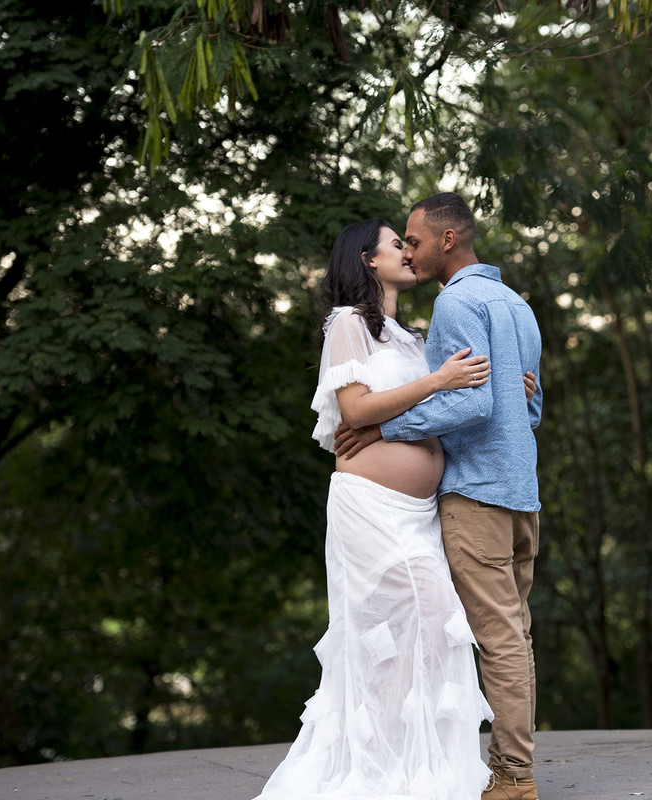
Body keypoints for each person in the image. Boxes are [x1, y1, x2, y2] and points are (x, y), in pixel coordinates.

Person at [254, 218, 527, 800]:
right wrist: (439, 380)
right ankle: (373, 769)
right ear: (366, 260)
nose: (407, 252)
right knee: (410, 623)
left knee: (422, 638)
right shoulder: (347, 323)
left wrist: (509, 385)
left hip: (419, 513)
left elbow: (461, 401)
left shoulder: (409, 335)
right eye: (395, 245)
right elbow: (356, 410)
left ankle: (406, 766)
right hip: (373, 510)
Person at [336, 193, 543, 800]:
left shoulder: (456, 301)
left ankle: (512, 776)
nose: (410, 249)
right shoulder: (517, 305)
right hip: (521, 495)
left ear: (447, 240)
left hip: (477, 493)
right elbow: (530, 407)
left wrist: (383, 428)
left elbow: (472, 402)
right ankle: (455, 762)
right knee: (515, 634)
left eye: (415, 239)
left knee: (497, 638)